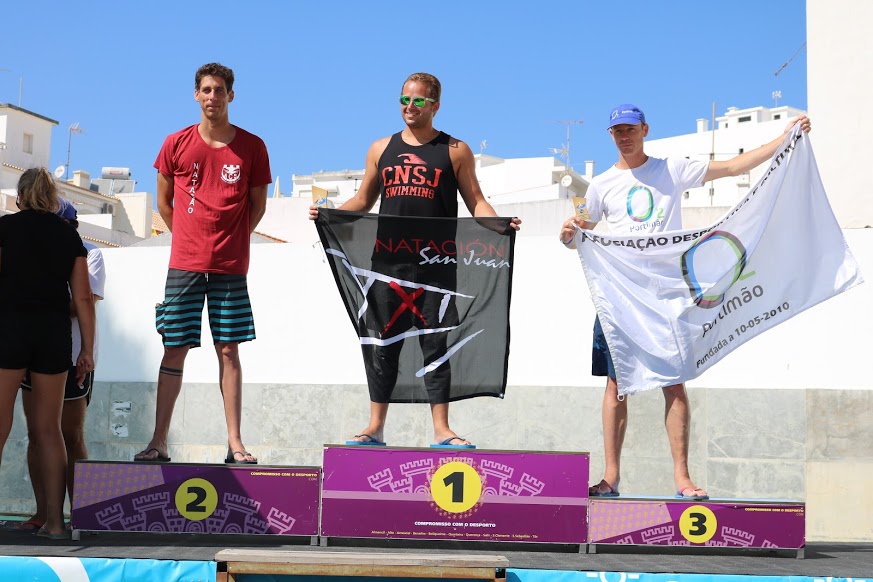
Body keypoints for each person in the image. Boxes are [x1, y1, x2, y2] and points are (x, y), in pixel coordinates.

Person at [559, 104, 811, 499]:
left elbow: (733, 167)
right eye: (617, 130)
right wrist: (569, 233)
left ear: (645, 130)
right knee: (616, 386)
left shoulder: (671, 169)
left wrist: (783, 140)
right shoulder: (600, 185)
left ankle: (682, 478)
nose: (624, 136)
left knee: (674, 384)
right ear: (610, 135)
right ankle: (610, 477)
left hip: (666, 297)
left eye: (630, 129)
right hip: (619, 298)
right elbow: (581, 231)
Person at [309, 72, 521, 448]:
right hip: (387, 264)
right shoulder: (380, 148)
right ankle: (374, 428)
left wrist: (498, 224)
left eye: (418, 101)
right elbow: (363, 200)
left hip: (436, 265)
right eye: (404, 100)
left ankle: (441, 430)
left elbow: (475, 200)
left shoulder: (455, 150)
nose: (410, 107)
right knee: (382, 343)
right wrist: (331, 215)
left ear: (435, 105)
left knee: (435, 345)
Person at [134, 62, 271, 464]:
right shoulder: (175, 143)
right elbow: (163, 202)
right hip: (184, 265)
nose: (213, 96)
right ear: (196, 94)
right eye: (206, 90)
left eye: (220, 90)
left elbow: (257, 206)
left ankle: (235, 443)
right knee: (174, 347)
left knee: (228, 350)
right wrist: (188, 237)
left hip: (231, 266)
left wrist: (232, 240)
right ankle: (159, 441)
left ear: (231, 96)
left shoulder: (252, 146)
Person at [0, 168, 96, 539]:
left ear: (21, 196)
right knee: (50, 430)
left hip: (10, 330)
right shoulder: (69, 235)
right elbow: (83, 298)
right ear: (52, 199)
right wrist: (87, 349)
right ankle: (56, 523)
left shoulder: (6, 228)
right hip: (53, 335)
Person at [18, 200, 105, 532]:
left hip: (73, 356)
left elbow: (83, 301)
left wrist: (33, 301)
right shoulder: (31, 253)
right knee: (36, 434)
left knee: (71, 434)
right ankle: (43, 513)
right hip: (32, 351)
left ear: (69, 226)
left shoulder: (91, 253)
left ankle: (79, 515)